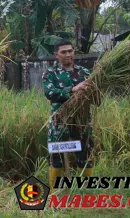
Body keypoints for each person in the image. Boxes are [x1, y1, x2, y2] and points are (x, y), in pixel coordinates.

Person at [43, 40, 93, 184]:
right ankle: (56, 191)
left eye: (70, 51)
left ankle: (86, 190)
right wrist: (72, 90)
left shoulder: (85, 73)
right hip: (59, 123)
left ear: (74, 52)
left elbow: (95, 98)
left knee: (86, 155)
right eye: (63, 52)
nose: (68, 54)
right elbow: (50, 93)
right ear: (56, 55)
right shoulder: (50, 73)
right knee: (56, 157)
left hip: (82, 122)